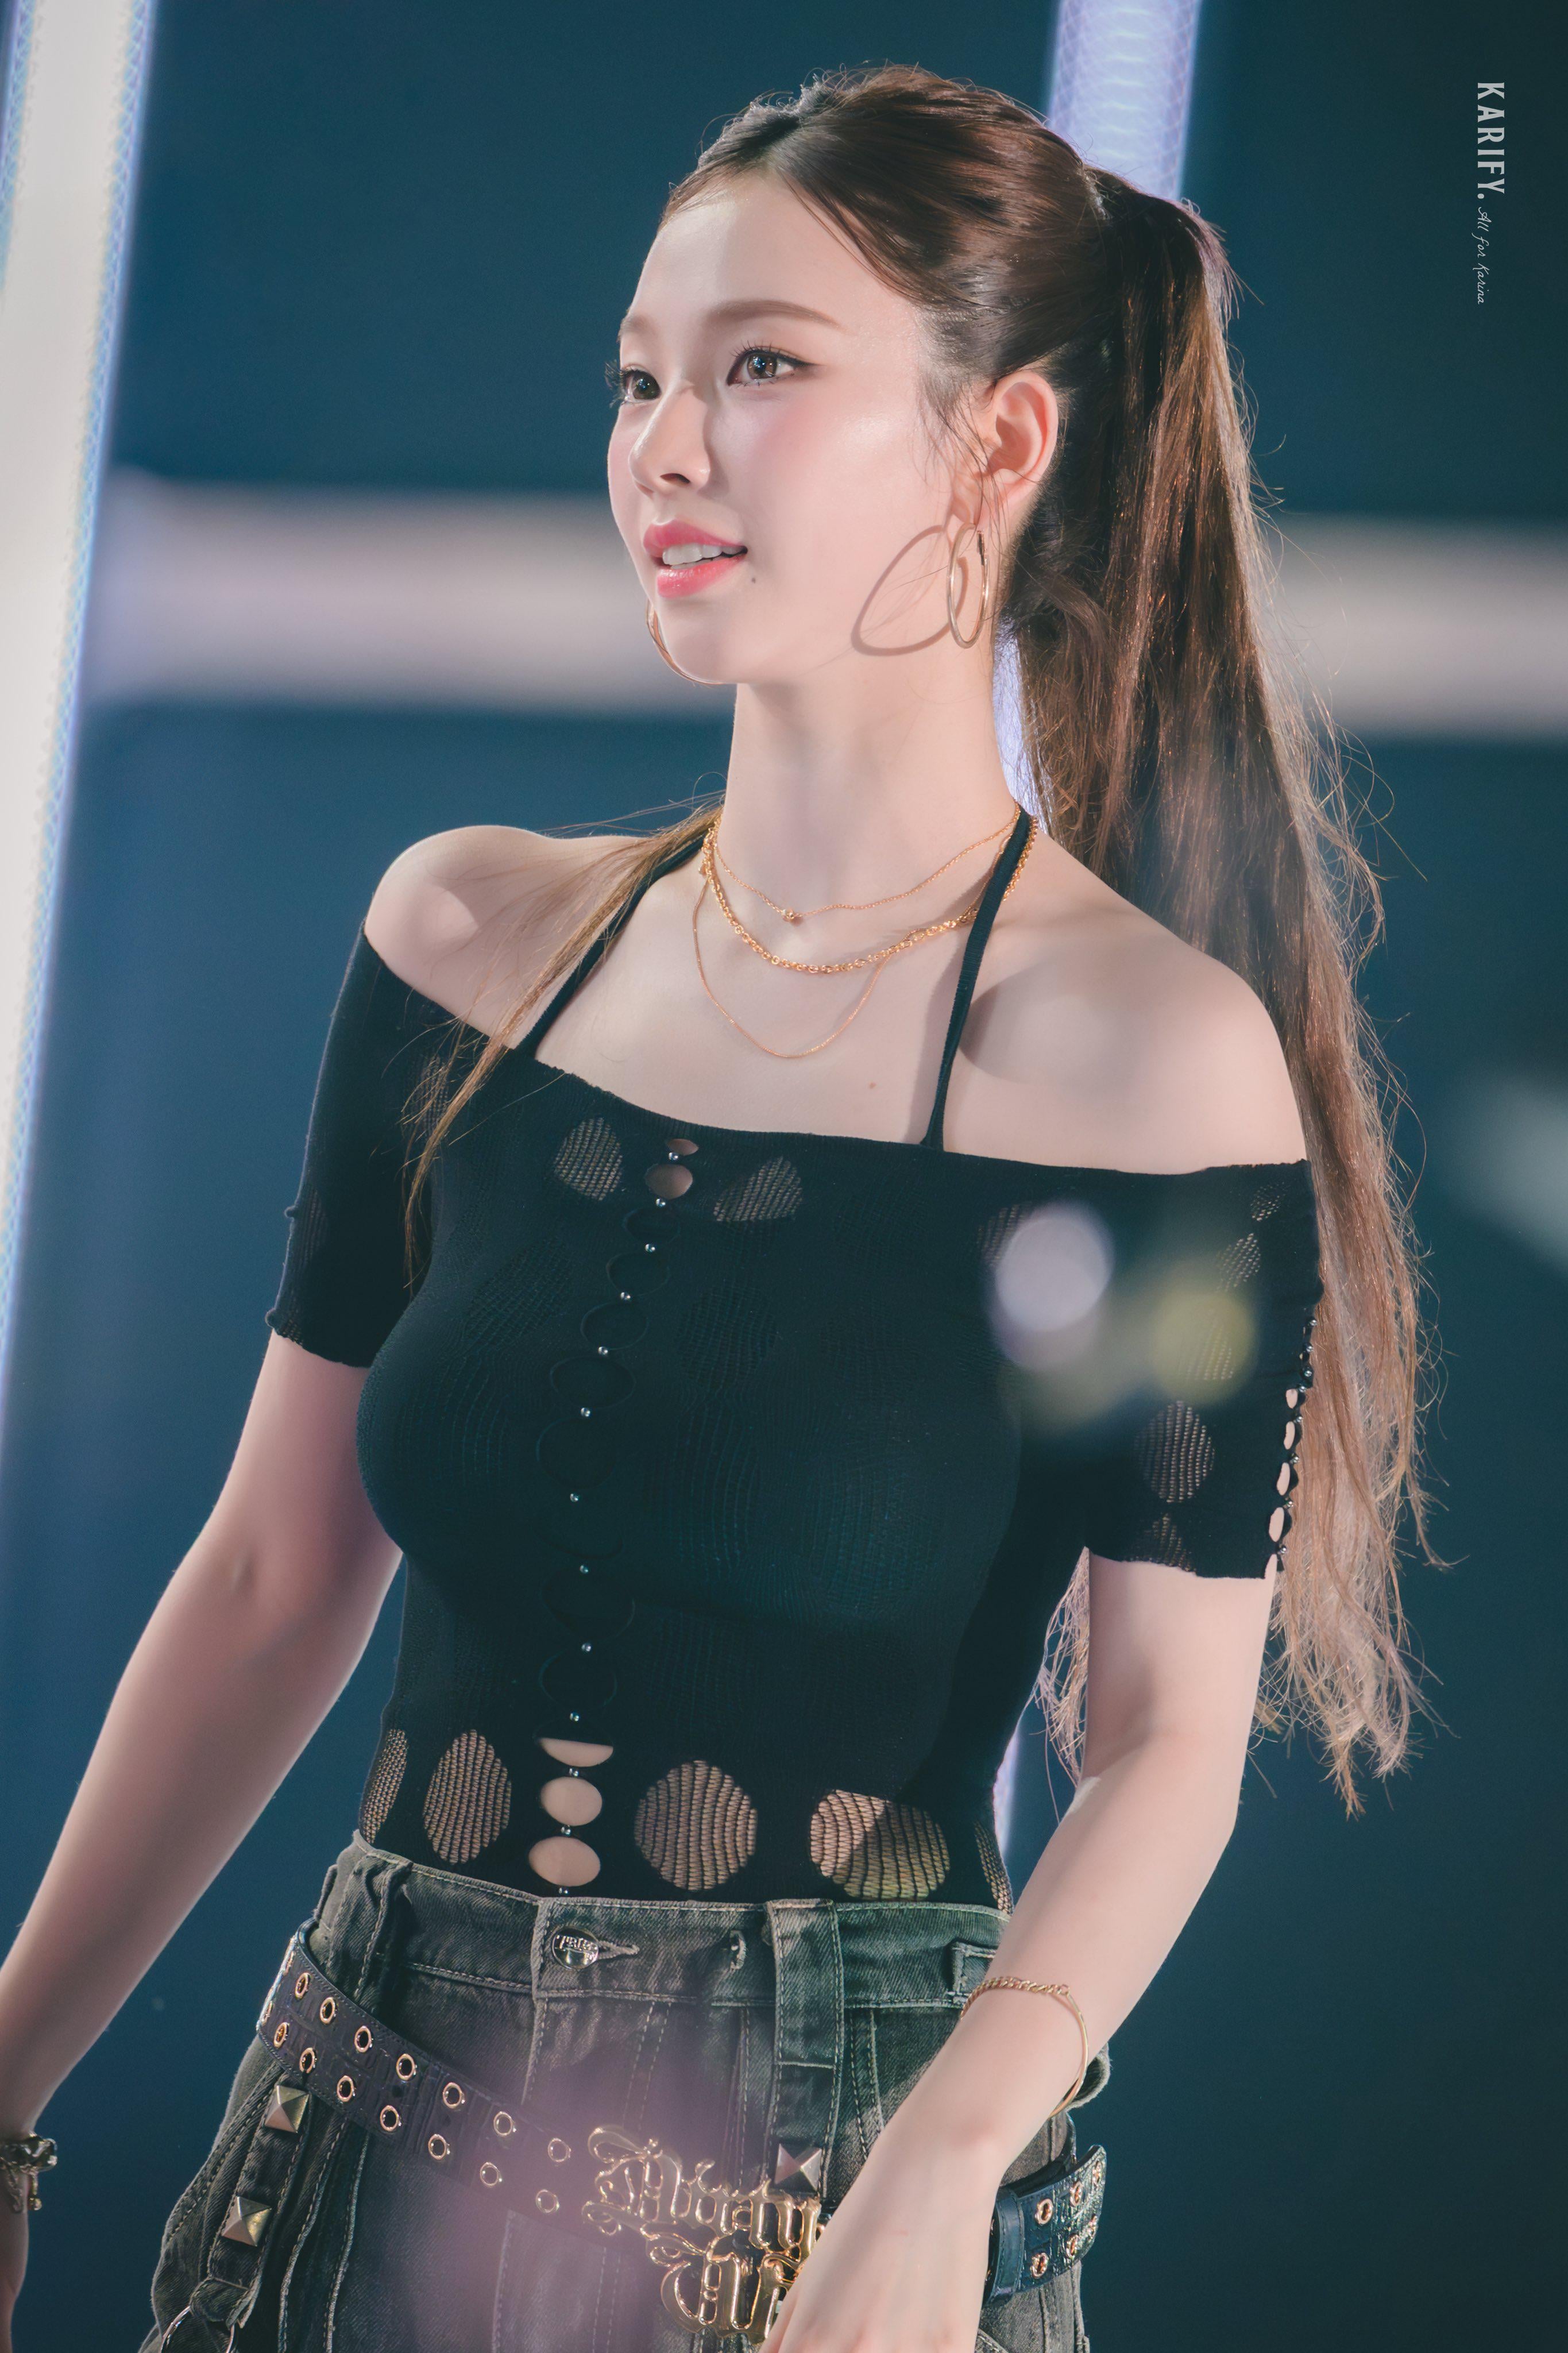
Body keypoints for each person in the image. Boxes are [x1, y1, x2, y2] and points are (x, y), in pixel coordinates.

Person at [0, 63, 1426, 2353]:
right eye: (638, 379)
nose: (663, 446)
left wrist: (948, 2158)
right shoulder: (466, 942)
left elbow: (1165, 1736)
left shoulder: (1143, 1066)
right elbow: (272, 1575)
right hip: (350, 2131)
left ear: (997, 445)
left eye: (759, 368)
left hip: (838, 2187)